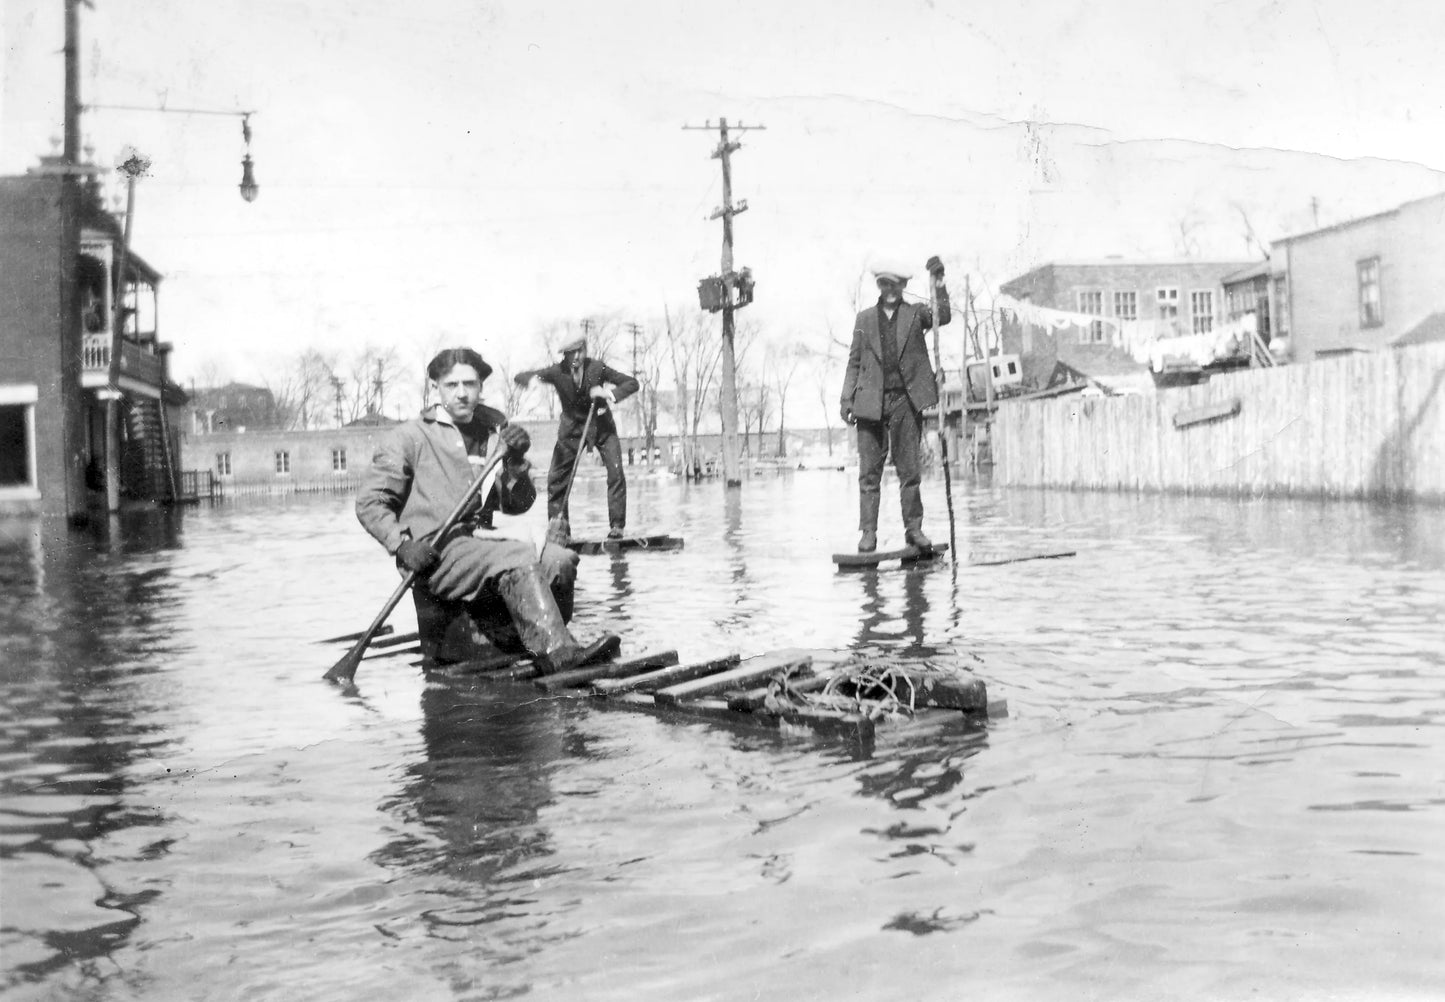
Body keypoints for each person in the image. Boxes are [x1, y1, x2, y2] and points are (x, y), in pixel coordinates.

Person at [356, 347, 618, 674]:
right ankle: (558, 654)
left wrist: (515, 462)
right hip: (436, 552)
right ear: (435, 387)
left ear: (481, 387)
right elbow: (370, 502)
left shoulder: (494, 433)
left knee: (559, 560)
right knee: (516, 554)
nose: (463, 393)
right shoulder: (409, 438)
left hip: (482, 547)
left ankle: (548, 639)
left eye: (470, 384)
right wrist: (401, 544)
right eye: (452, 385)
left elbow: (518, 504)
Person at [839, 255, 951, 553]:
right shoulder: (863, 319)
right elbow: (854, 362)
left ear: (903, 286)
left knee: (909, 471)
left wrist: (938, 282)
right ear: (879, 285)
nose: (890, 289)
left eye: (895, 284)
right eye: (884, 283)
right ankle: (868, 534)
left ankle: (914, 530)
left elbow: (943, 316)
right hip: (869, 404)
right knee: (869, 475)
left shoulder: (915, 314)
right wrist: (846, 398)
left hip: (905, 401)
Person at [515, 336, 639, 539]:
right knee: (556, 480)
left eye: (581, 352)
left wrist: (607, 393)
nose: (577, 357)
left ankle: (617, 527)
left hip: (602, 427)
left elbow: (632, 383)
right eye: (573, 353)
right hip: (571, 431)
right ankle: (560, 531)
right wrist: (527, 379)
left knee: (616, 473)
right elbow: (530, 375)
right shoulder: (556, 372)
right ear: (566, 355)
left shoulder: (598, 368)